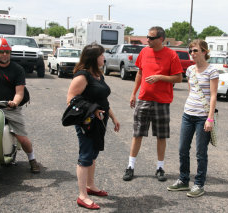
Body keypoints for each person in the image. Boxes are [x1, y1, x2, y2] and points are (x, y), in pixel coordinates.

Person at [122, 26, 183, 182]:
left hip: (162, 102)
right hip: (144, 99)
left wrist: (160, 77)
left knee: (161, 136)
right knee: (137, 134)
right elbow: (140, 73)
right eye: (147, 37)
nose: (147, 40)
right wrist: (133, 93)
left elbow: (178, 78)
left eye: (151, 38)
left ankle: (160, 168)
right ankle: (130, 167)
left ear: (161, 39)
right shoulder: (144, 52)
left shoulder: (171, 55)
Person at [66, 44, 120, 210]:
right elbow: (71, 99)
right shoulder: (83, 76)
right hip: (86, 122)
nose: (104, 58)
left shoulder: (98, 75)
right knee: (86, 155)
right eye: (102, 55)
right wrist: (93, 110)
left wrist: (113, 117)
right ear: (93, 57)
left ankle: (90, 186)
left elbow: (103, 100)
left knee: (93, 153)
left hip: (100, 121)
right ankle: (82, 195)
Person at [0, 38, 40, 173]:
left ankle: (32, 159)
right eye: (1, 52)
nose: (4, 55)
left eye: (7, 52)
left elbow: (19, 92)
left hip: (9, 108)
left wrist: (14, 103)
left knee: (22, 138)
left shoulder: (17, 69)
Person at [167, 39, 219, 197]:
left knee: (201, 153)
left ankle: (199, 184)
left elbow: (213, 95)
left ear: (204, 51)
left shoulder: (212, 71)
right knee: (183, 149)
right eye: (191, 51)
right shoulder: (189, 70)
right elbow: (191, 91)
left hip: (203, 117)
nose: (192, 53)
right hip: (188, 115)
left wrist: (210, 119)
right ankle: (183, 180)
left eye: (195, 50)